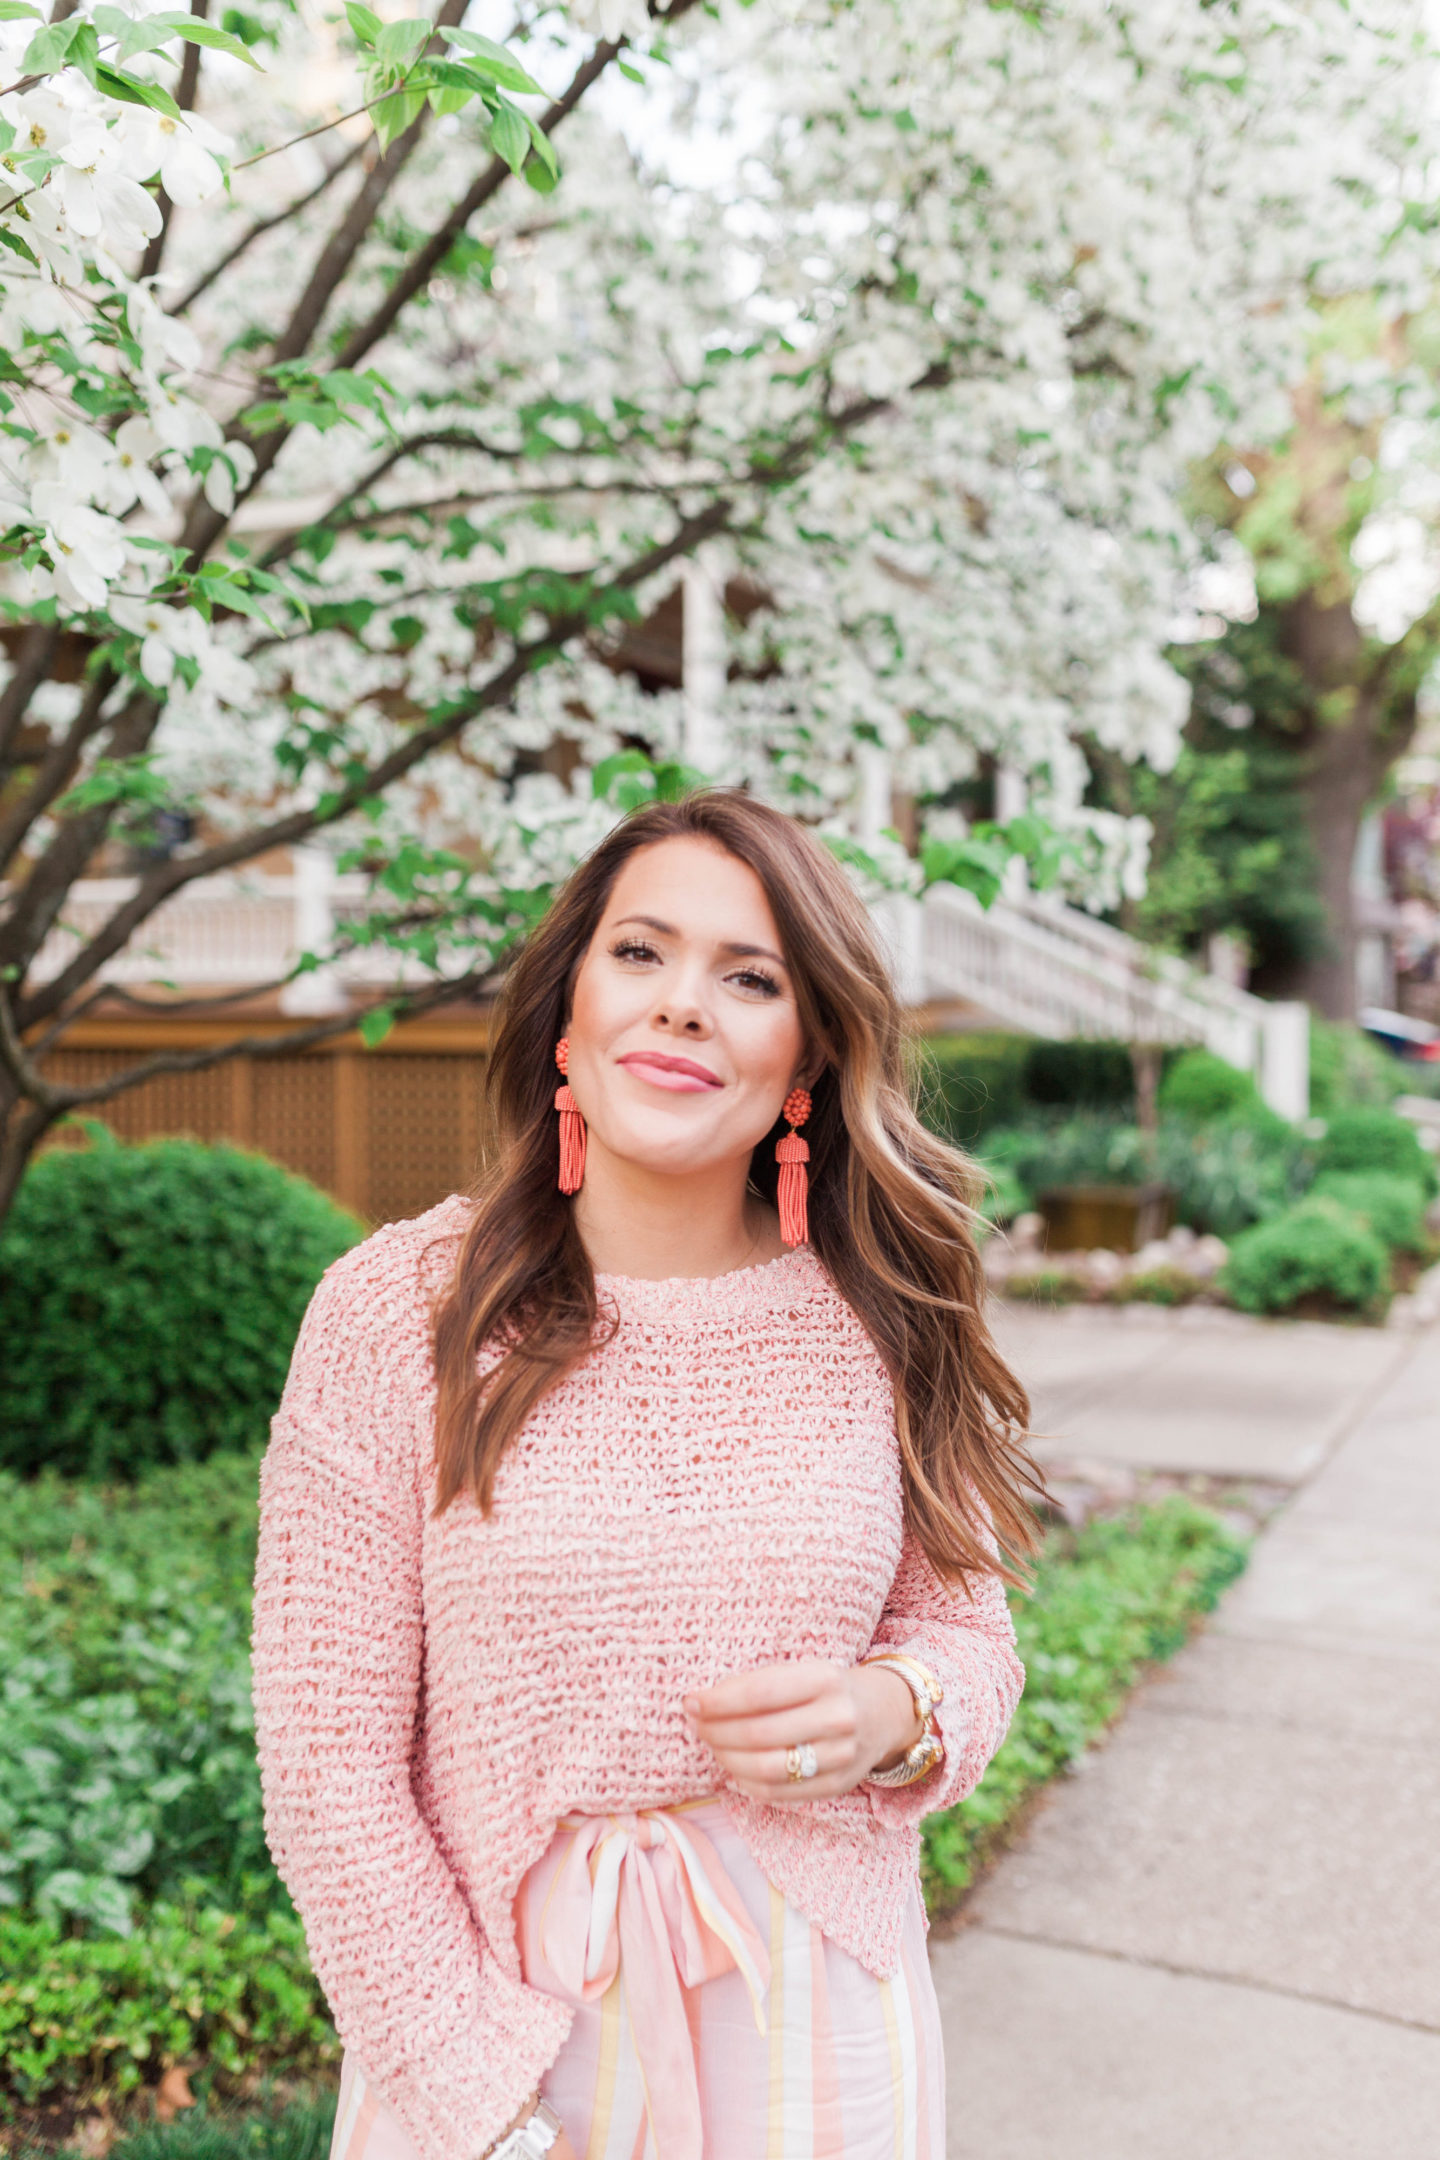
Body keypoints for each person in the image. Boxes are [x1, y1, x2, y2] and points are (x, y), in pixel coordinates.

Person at [250, 790, 1043, 2160]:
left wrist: (890, 1710)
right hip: (506, 2026)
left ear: (805, 1060)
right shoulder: (398, 1313)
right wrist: (470, 2084)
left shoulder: (878, 1318)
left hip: (821, 2033)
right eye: (641, 954)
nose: (684, 1005)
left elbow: (970, 1638)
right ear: (567, 1012)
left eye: (750, 978)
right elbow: (327, 1765)